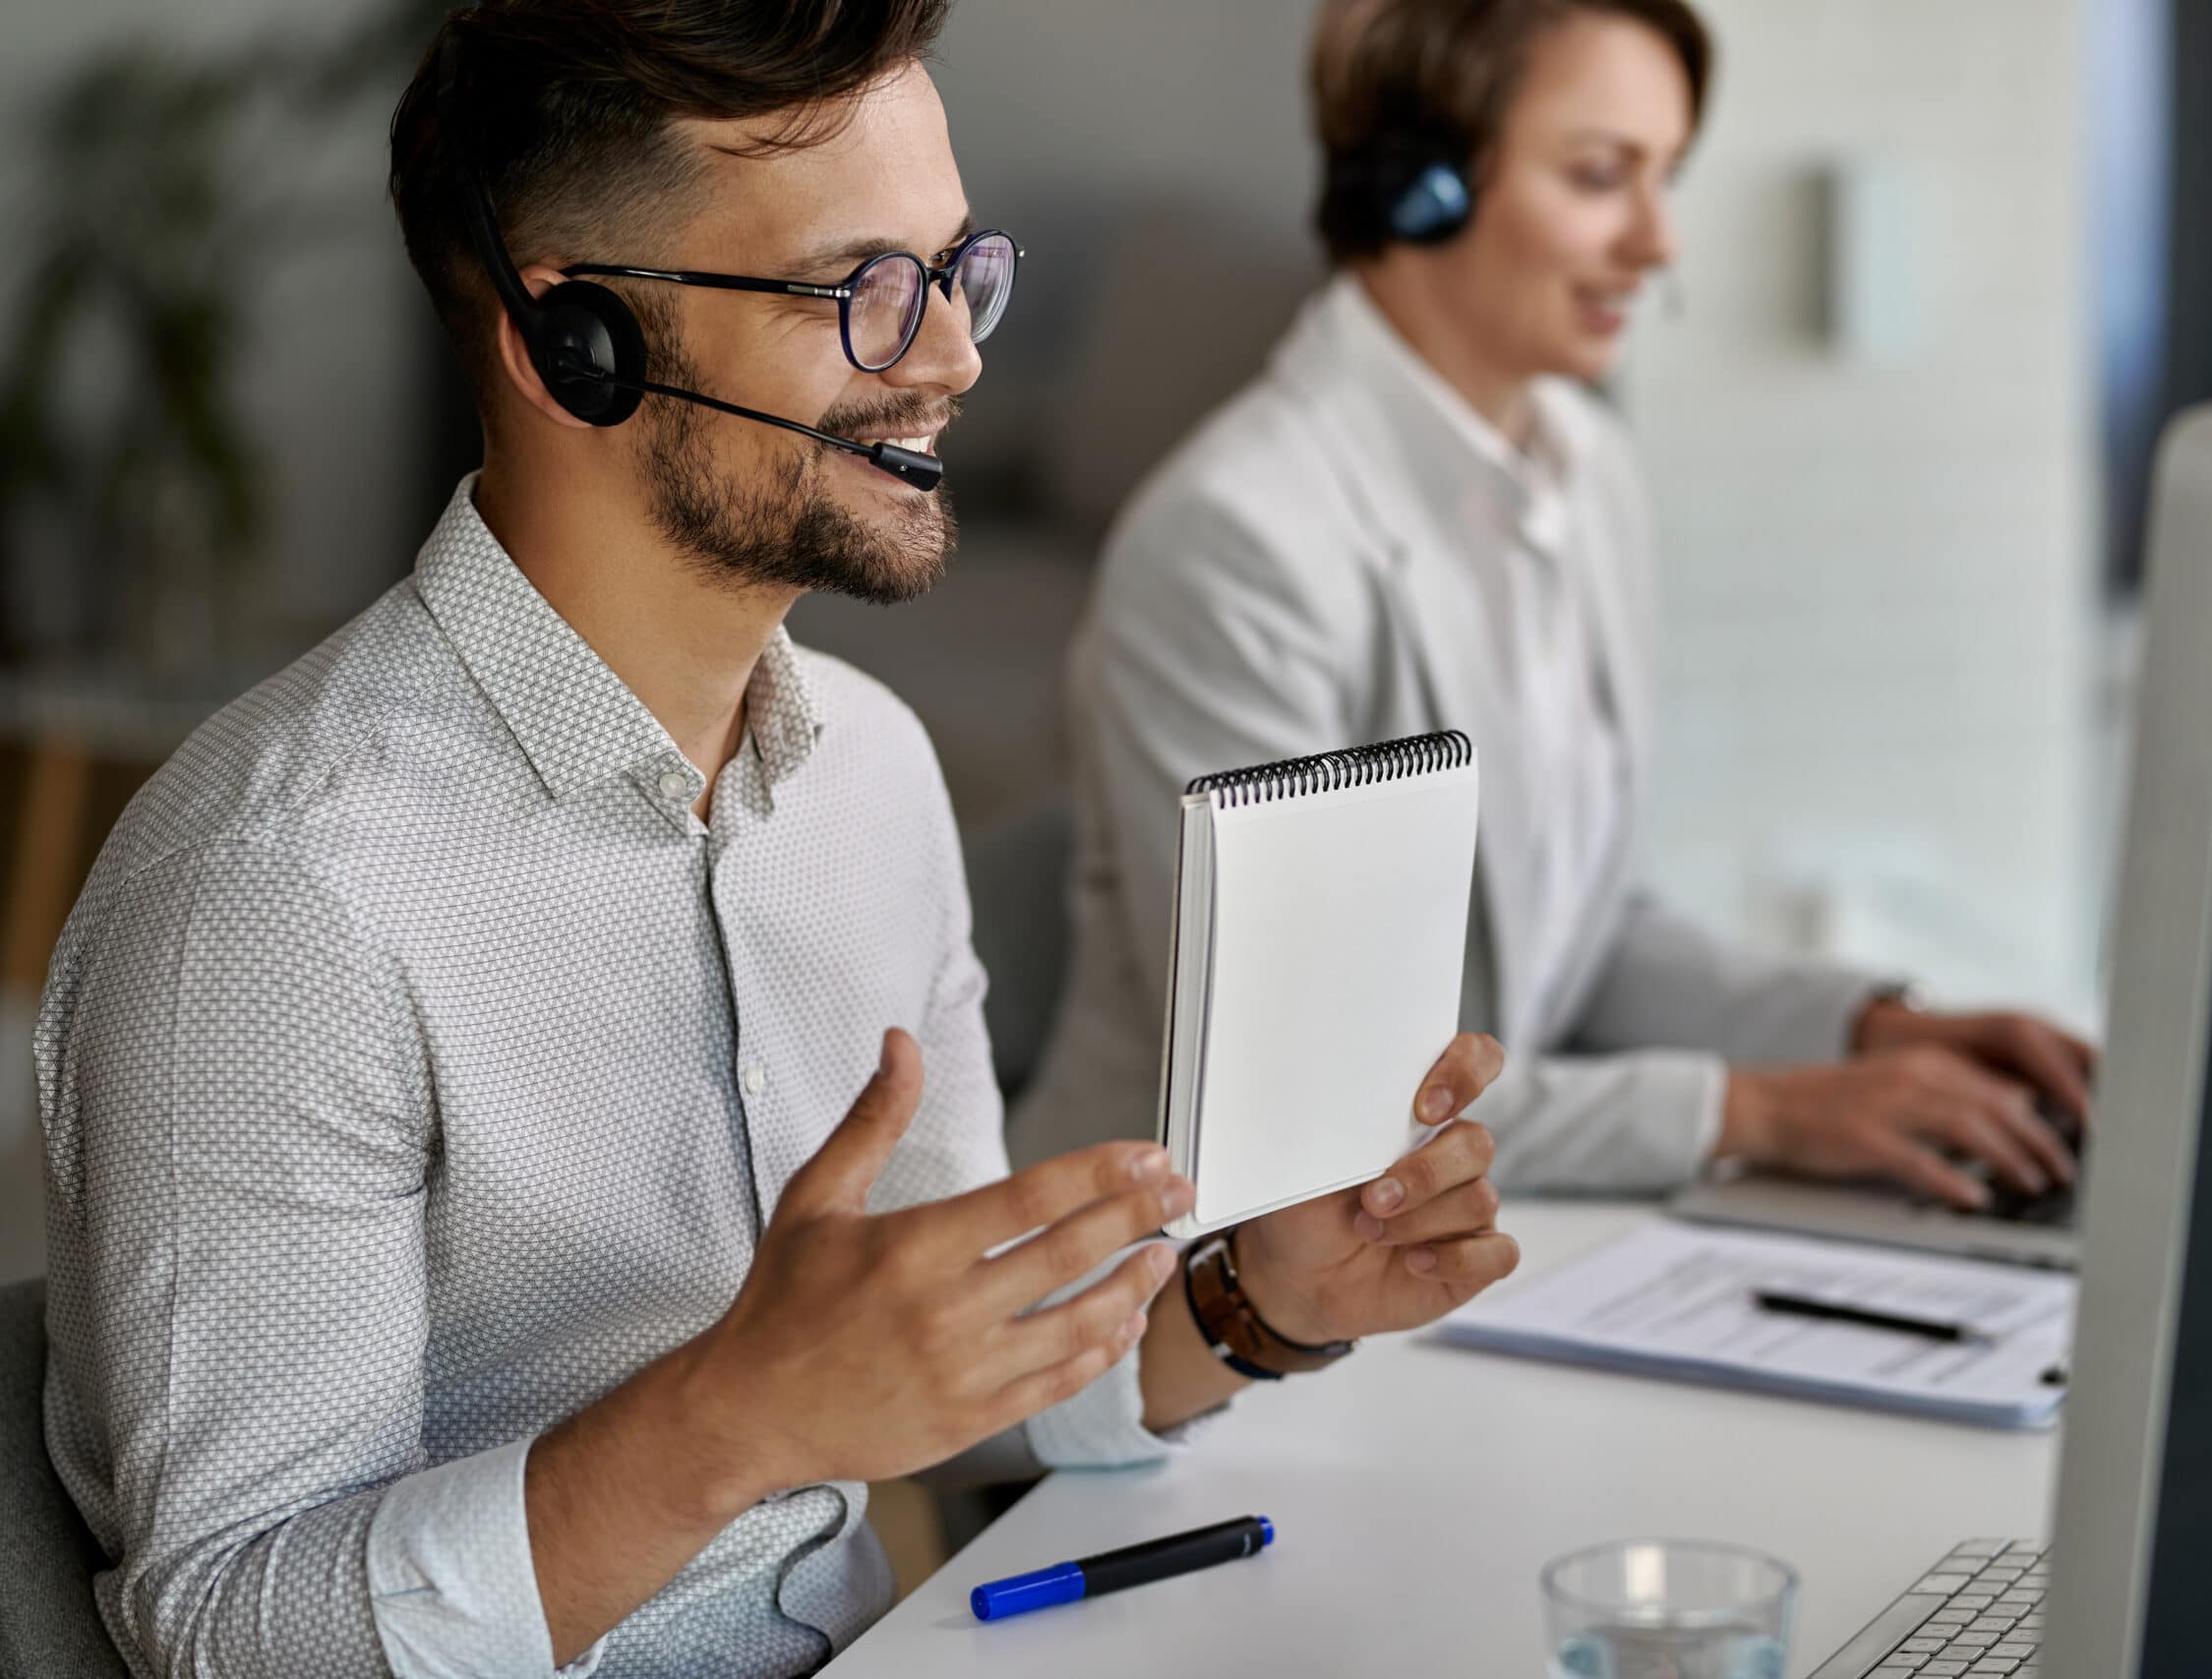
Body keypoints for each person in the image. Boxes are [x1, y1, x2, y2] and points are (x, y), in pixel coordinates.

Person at [33, 5, 1519, 1674]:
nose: (952, 355)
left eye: (959, 271)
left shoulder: (870, 777)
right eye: (860, 292)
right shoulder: (280, 898)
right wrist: (727, 1421)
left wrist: (1261, 1303)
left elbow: (959, 1378)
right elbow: (230, 1630)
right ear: (570, 342)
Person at [1018, 0, 2094, 1208]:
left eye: (1664, 177)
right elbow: (1319, 1091)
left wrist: (1862, 1031)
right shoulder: (1236, 544)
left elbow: (1591, 941)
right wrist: (1761, 1114)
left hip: (1468, 1248)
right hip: (1180, 1293)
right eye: (1598, 177)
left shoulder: (1587, 475)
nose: (1658, 242)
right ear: (1415, 187)